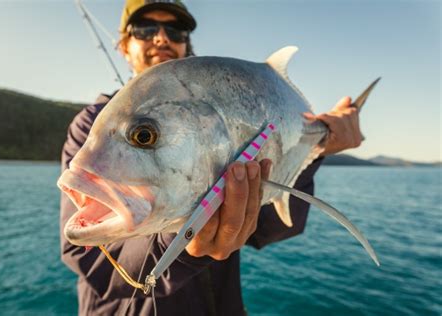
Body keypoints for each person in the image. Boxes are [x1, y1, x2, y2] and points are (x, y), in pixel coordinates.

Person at [60, 1, 362, 315]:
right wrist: (184, 246)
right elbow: (87, 257)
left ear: (186, 44)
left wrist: (316, 149)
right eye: (146, 29)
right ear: (124, 46)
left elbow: (269, 230)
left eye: (175, 30)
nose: (162, 38)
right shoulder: (89, 123)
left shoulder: (219, 113)